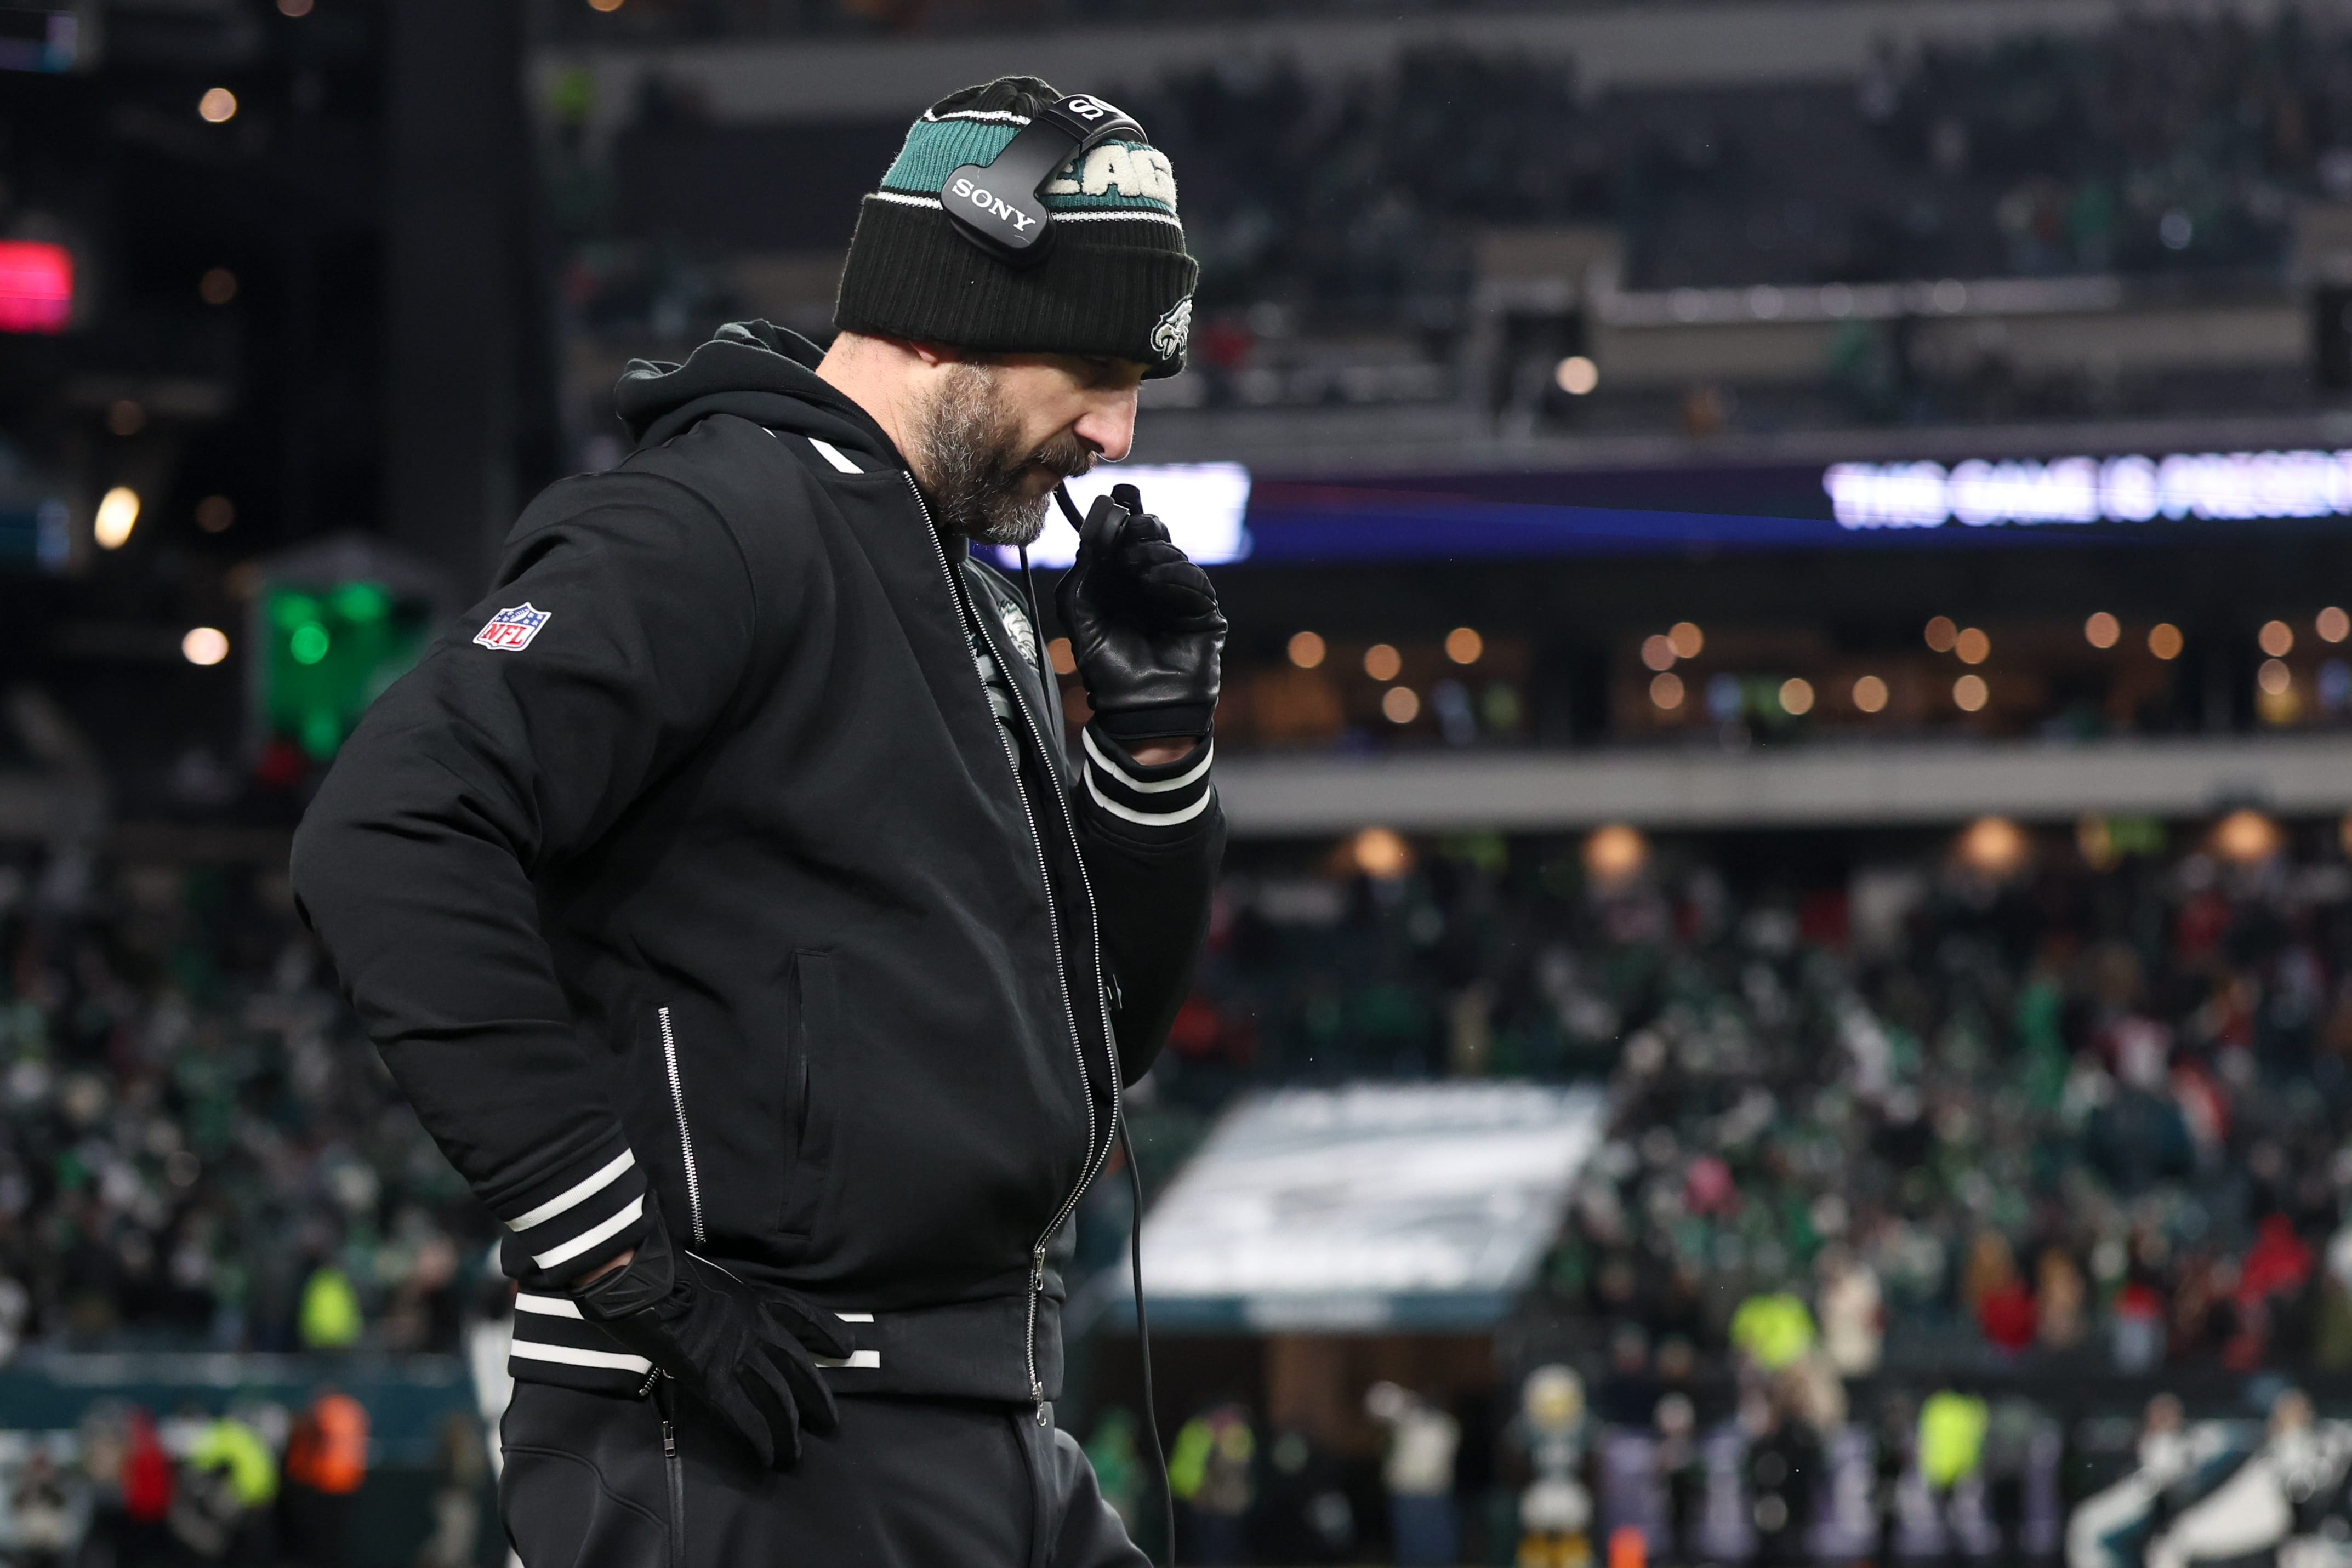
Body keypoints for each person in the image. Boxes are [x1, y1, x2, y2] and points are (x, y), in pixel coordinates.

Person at [289, 73, 1218, 1568]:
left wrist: (1157, 759)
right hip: (751, 1435)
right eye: (1094, 366)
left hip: (980, 1415)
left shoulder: (964, 589)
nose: (1113, 431)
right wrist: (622, 1260)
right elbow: (389, 826)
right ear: (944, 301)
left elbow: (1091, 1039)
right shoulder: (712, 522)